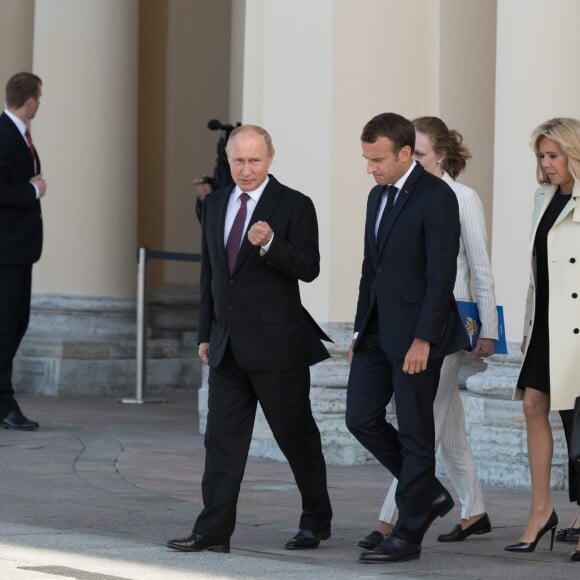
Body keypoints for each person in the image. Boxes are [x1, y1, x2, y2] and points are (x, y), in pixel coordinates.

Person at [167, 124, 333, 553]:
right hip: (227, 346)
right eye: (237, 160)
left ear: (271, 159)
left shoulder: (295, 205)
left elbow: (310, 267)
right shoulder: (216, 203)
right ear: (228, 160)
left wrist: (272, 243)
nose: (245, 169)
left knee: (296, 436)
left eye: (254, 160)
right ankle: (213, 531)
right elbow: (211, 275)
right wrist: (206, 333)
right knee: (221, 440)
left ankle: (316, 519)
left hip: (279, 346)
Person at [357, 116, 498, 550]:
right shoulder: (378, 195)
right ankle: (458, 503)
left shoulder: (451, 197)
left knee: (422, 428)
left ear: (414, 154)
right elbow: (371, 269)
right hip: (381, 331)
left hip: (434, 329)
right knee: (370, 418)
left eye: (377, 159)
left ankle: (400, 525)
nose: (370, 168)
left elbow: (458, 271)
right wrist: (360, 331)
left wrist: (479, 329)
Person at [505, 117, 580, 563]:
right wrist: (529, 325)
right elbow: (539, 272)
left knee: (579, 422)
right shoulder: (544, 197)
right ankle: (540, 510)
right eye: (542, 156)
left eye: (554, 155)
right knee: (534, 404)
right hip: (548, 324)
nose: (547, 164)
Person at [0, 72, 46, 431]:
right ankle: (4, 402)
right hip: (7, 249)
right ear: (29, 100)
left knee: (17, 322)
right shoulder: (4, 133)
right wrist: (32, 190)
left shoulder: (18, 133)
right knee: (8, 325)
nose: (39, 104)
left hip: (19, 248)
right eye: (39, 98)